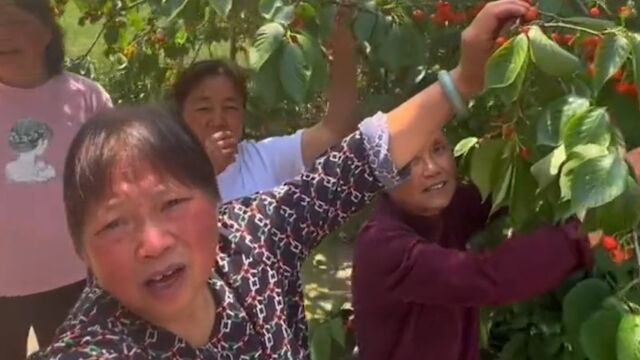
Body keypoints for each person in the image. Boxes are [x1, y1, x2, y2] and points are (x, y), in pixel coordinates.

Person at [29, 0, 535, 358]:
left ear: (214, 201)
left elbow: (359, 157)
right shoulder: (95, 345)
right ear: (82, 252)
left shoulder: (253, 237)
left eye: (173, 204)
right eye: (115, 224)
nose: (153, 242)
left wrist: (466, 78)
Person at [351, 130, 640, 358]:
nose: (432, 168)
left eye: (438, 148)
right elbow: (488, 277)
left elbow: (505, 192)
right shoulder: (383, 246)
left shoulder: (441, 210)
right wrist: (584, 231)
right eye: (410, 161)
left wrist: (606, 174)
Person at [0, 0, 112, 358]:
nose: (2, 34)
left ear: (47, 32)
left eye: (12, 21)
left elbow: (114, 179)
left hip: (76, 277)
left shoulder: (86, 99)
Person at [171, 5, 360, 202]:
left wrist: (343, 46)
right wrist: (207, 171)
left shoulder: (263, 159)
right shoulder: (162, 173)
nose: (218, 120)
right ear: (179, 116)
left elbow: (336, 128)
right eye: (204, 108)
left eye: (230, 107)